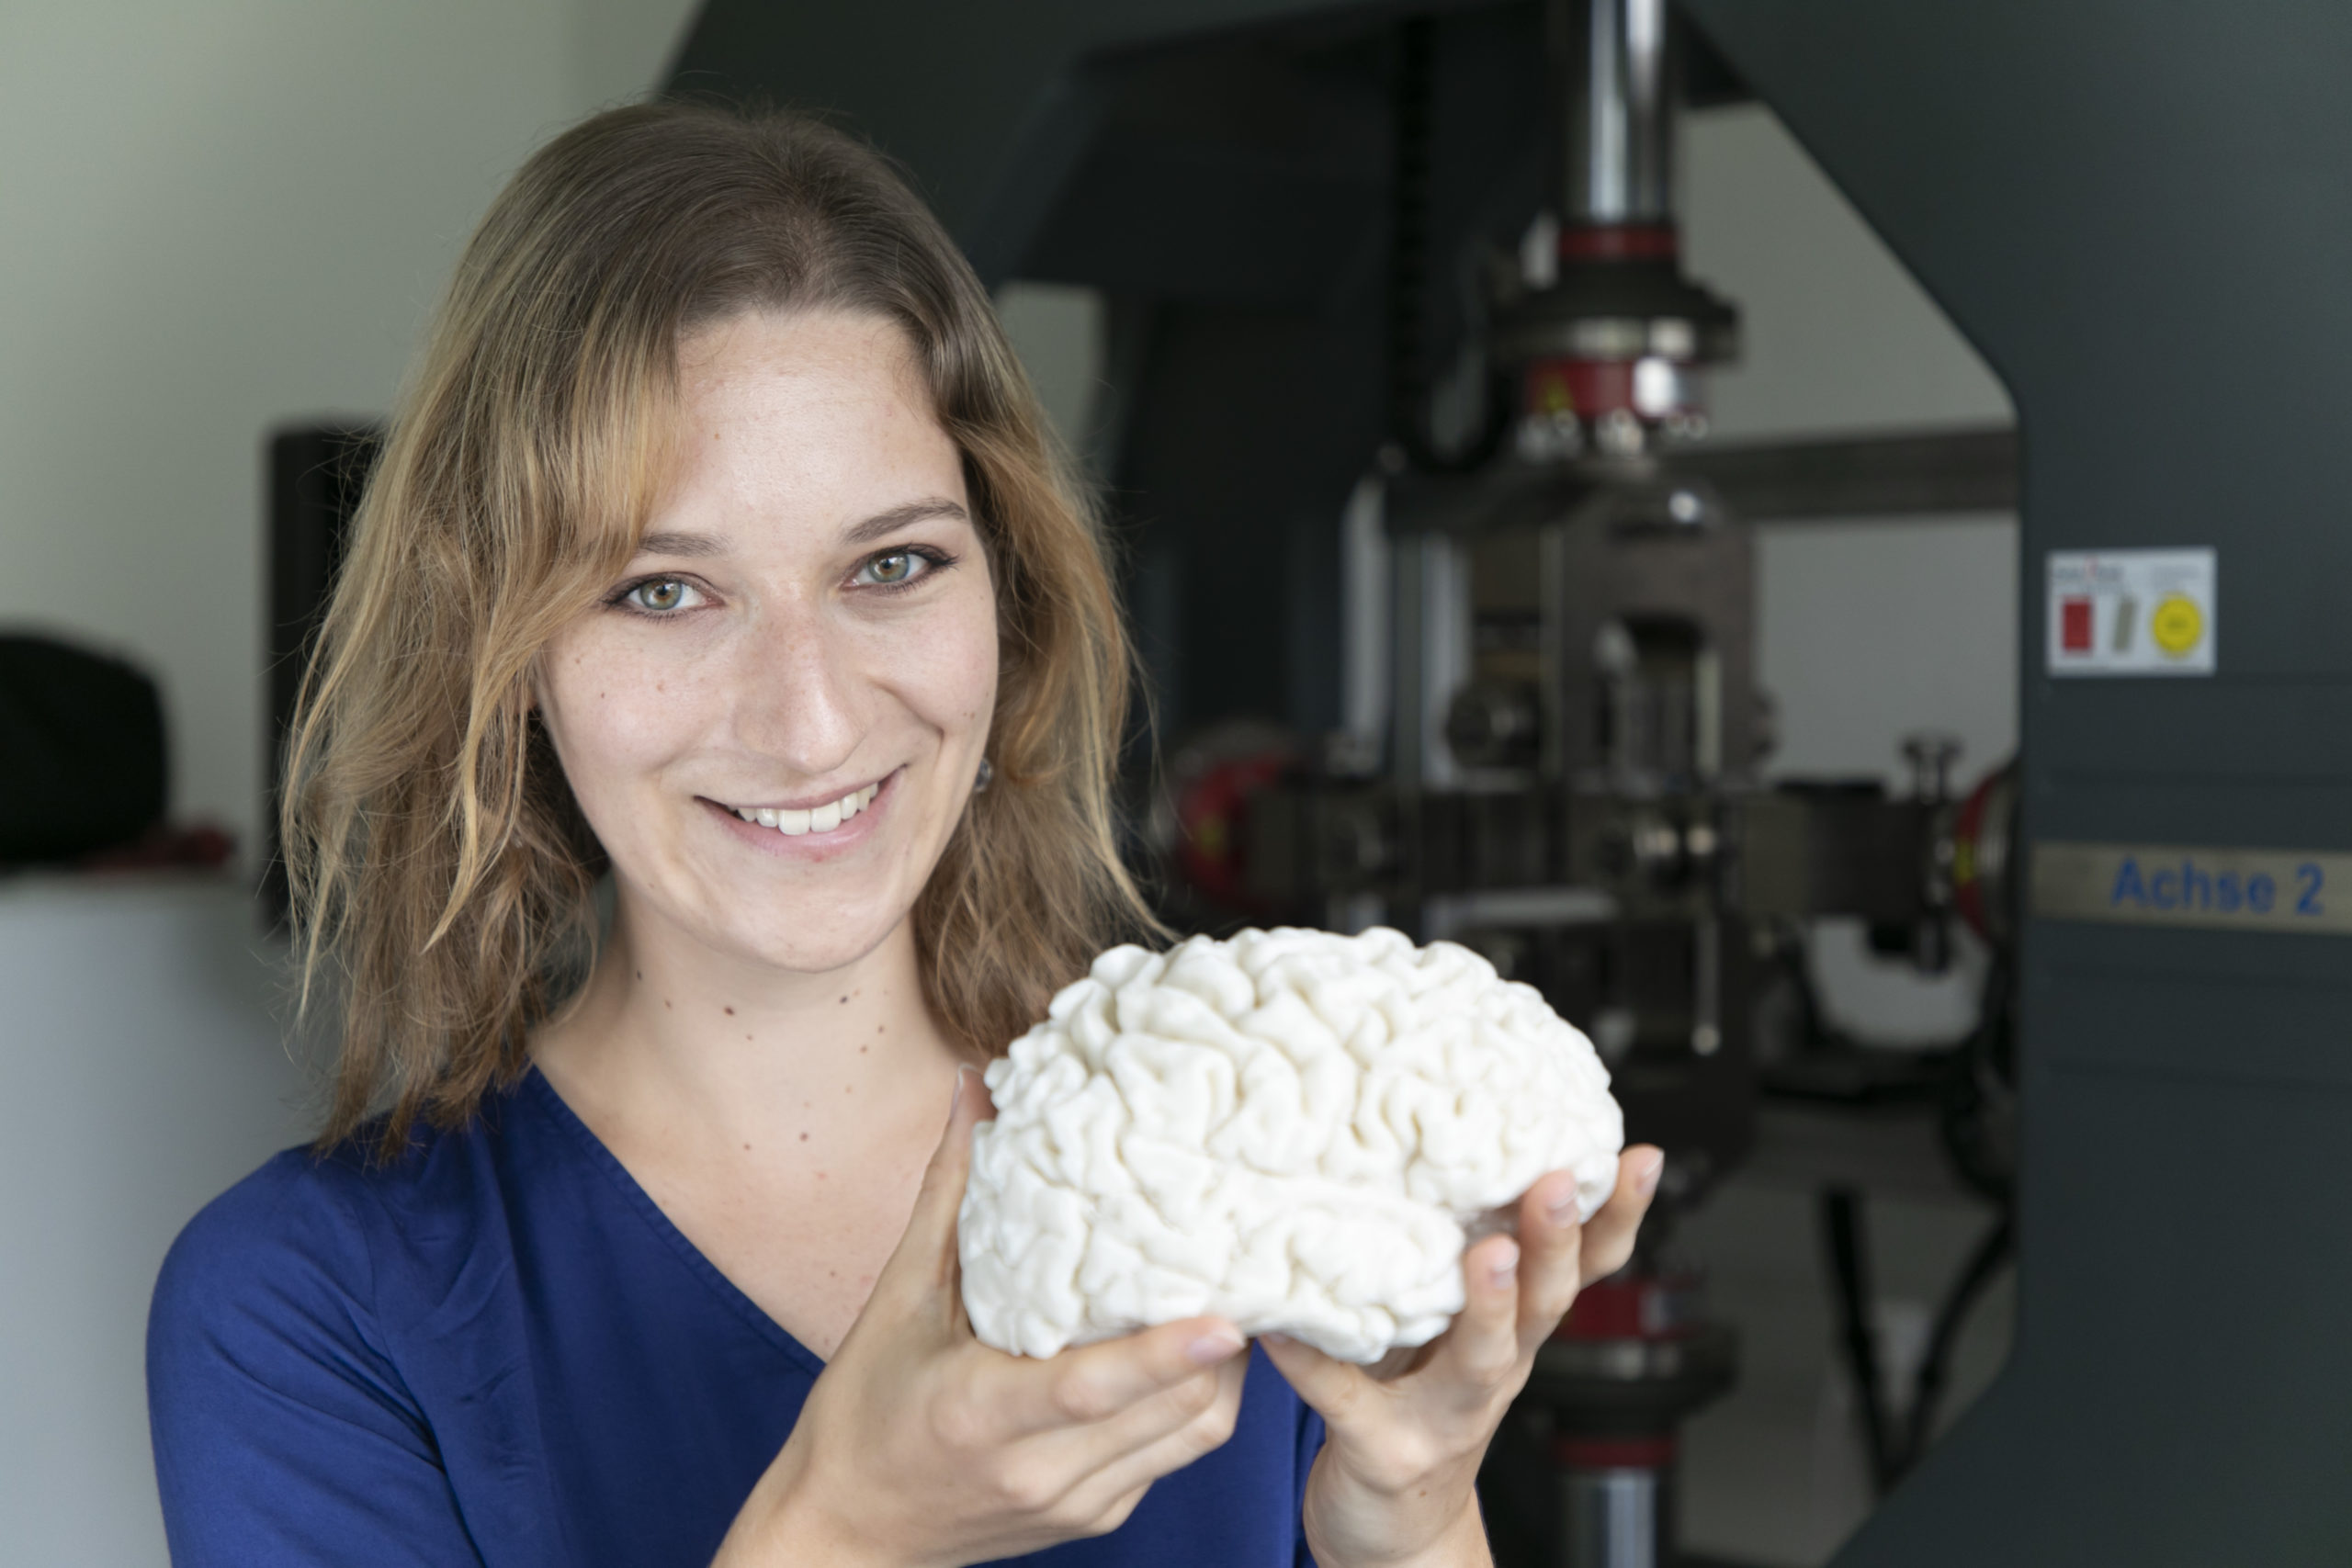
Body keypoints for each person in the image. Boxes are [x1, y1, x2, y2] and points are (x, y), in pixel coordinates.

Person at [146, 101, 1664, 1568]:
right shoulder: (309, 1307)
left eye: (891, 565)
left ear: (1008, 591)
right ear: (504, 645)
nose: (808, 722)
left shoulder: (1237, 1172)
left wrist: (1411, 1519)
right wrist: (850, 1534)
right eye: (663, 590)